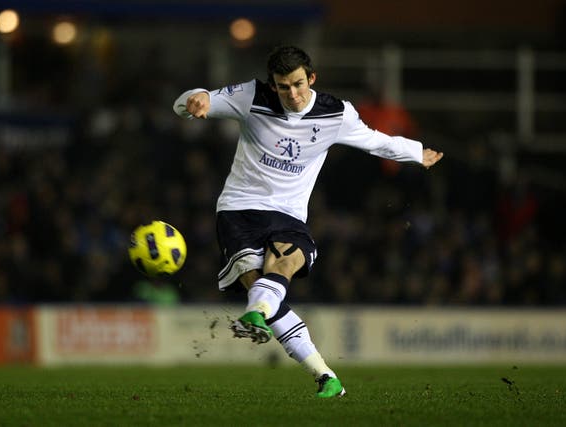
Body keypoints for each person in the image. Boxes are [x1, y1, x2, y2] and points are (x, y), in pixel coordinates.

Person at [173, 45, 443, 398]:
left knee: (281, 269)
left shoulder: (336, 113)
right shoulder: (251, 96)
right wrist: (195, 100)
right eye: (283, 87)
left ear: (311, 78)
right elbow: (186, 103)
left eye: (298, 84)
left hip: (288, 212)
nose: (293, 94)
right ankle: (324, 373)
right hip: (239, 209)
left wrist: (414, 153)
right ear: (273, 84)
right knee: (266, 290)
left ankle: (314, 367)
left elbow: (375, 141)